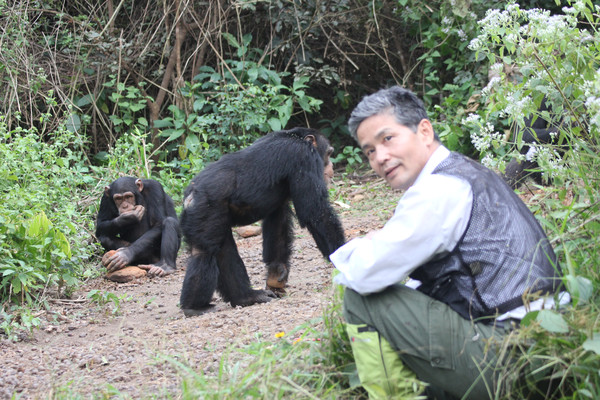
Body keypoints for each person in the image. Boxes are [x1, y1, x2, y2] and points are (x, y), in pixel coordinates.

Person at [330, 86, 566, 399]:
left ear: (424, 131)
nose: (380, 157)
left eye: (387, 139)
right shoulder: (465, 171)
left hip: (512, 359)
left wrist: (367, 242)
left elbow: (362, 272)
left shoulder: (438, 191)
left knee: (359, 297)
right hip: (551, 349)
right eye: (369, 151)